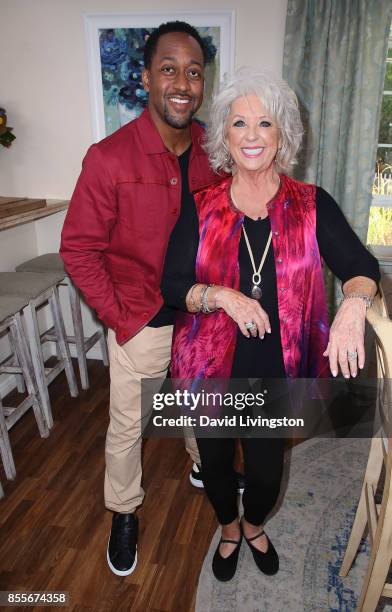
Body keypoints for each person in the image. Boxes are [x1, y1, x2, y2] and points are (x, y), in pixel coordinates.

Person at [161, 67, 380, 582]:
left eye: (265, 123)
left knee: (265, 474)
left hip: (277, 369)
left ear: (284, 134)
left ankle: (254, 523)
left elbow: (361, 267)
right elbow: (172, 286)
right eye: (239, 124)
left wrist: (352, 304)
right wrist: (221, 296)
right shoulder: (201, 208)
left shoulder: (310, 204)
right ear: (224, 136)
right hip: (210, 366)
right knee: (214, 468)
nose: (252, 136)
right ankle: (229, 530)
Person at [60, 21, 244, 577]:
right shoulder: (109, 158)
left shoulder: (218, 151)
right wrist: (123, 319)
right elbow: (78, 248)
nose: (182, 82)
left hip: (202, 314)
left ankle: (199, 466)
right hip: (142, 317)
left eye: (193, 71)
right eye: (169, 69)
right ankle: (124, 510)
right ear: (145, 78)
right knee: (128, 425)